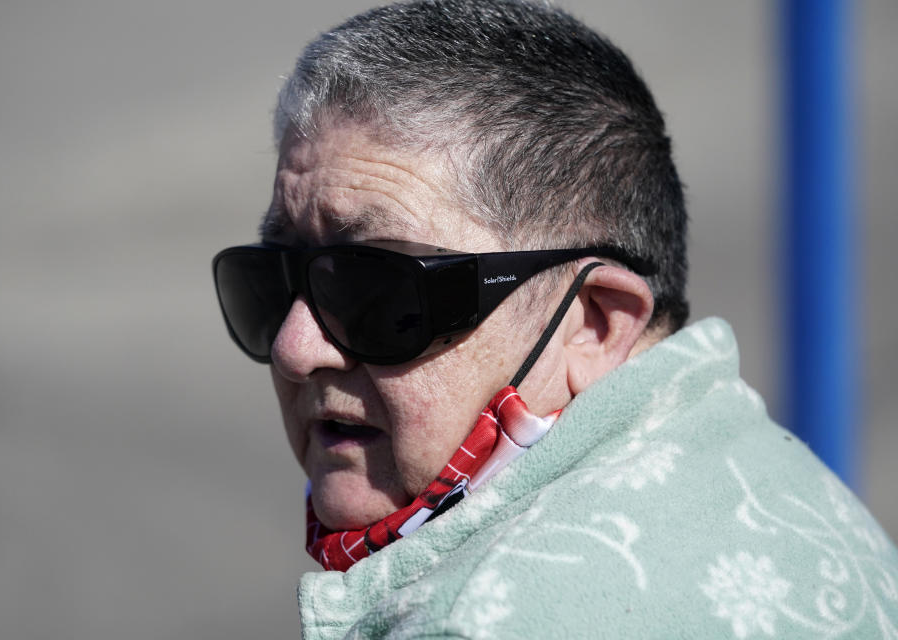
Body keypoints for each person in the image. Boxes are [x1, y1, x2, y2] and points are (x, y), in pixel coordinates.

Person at [212, 1, 898, 637]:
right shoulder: (790, 496)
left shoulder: (473, 621)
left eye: (381, 292)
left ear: (595, 323)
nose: (295, 348)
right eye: (272, 280)